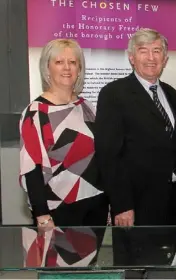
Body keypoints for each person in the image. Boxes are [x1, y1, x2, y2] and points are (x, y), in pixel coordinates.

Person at [95, 28, 176, 277]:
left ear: (165, 58)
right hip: (135, 207)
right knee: (134, 272)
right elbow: (108, 155)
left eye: (157, 51)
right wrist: (121, 205)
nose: (151, 57)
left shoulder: (173, 96)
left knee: (166, 271)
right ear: (131, 57)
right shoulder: (114, 94)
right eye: (143, 51)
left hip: (170, 206)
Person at [19, 38, 108, 266]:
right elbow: (32, 168)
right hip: (57, 210)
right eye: (59, 61)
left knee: (86, 270)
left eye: (73, 62)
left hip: (95, 206)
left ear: (80, 69)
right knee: (58, 272)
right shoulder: (36, 112)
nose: (67, 68)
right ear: (47, 67)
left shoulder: (87, 106)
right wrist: (41, 215)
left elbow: (100, 157)